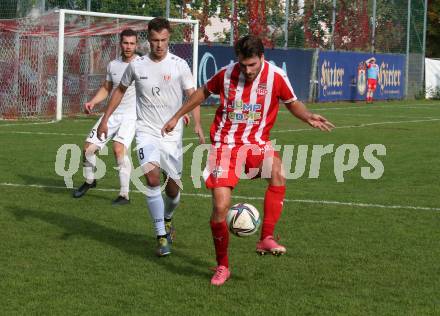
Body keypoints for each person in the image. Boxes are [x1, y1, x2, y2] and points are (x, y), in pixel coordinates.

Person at [162, 35, 334, 286]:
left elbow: (292, 102)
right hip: (225, 147)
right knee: (220, 208)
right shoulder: (226, 74)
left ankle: (266, 237)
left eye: (252, 64)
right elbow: (202, 92)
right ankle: (223, 266)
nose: (248, 70)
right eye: (243, 65)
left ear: (262, 58)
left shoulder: (275, 76)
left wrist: (307, 116)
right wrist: (177, 116)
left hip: (255, 145)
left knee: (278, 171)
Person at [97, 17, 205, 257]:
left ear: (169, 39)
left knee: (174, 190)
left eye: (163, 40)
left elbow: (194, 96)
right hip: (146, 130)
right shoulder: (137, 66)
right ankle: (160, 236)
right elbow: (119, 91)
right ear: (148, 39)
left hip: (172, 134)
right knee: (153, 178)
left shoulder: (179, 65)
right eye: (155, 40)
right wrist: (105, 120)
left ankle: (167, 218)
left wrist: (196, 122)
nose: (159, 45)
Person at [73, 28, 139, 205]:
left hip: (131, 116)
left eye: (132, 43)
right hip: (111, 113)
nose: (128, 46)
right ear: (120, 44)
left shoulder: (142, 64)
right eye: (125, 43)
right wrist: (93, 101)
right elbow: (107, 88)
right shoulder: (113, 65)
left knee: (118, 149)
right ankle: (90, 181)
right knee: (87, 149)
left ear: (136, 44)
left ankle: (124, 194)